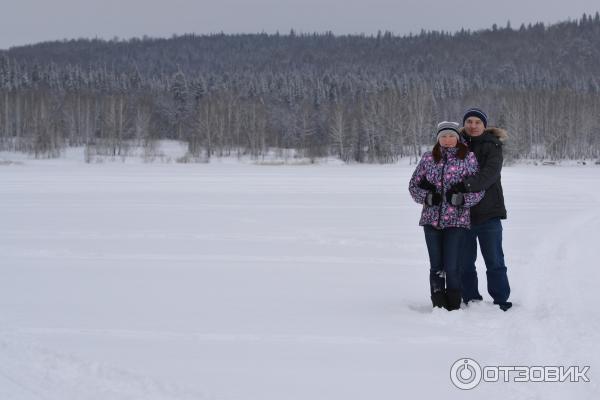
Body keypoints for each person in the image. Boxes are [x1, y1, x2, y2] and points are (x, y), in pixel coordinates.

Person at [409, 121, 484, 311]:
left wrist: (462, 199)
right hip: (431, 220)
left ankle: (453, 305)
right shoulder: (428, 158)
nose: (448, 140)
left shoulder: (468, 158)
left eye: (451, 136)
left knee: (452, 266)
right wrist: (427, 197)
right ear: (438, 139)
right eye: (443, 136)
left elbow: (479, 189)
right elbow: (413, 186)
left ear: (457, 138)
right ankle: (438, 305)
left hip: (456, 221)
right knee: (436, 266)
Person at [451, 108, 512, 311]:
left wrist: (464, 185)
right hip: (463, 214)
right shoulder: (457, 145)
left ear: (484, 125)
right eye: (469, 121)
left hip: (489, 213)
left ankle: (501, 300)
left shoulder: (492, 145)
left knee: (494, 260)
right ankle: (471, 299)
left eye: (477, 122)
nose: (473, 125)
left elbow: (489, 175)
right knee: (465, 262)